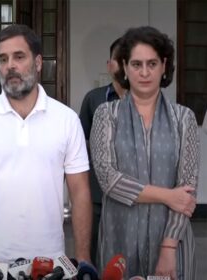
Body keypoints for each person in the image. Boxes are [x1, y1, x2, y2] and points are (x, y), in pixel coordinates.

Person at [0, 24, 92, 277]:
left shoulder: (66, 119)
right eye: (3, 59)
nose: (10, 65)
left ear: (38, 62)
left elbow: (80, 193)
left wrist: (84, 258)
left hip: (50, 262)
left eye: (19, 57)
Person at [90, 26, 199, 279]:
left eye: (152, 63)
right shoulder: (107, 115)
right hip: (119, 238)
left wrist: (169, 247)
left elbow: (186, 191)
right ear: (124, 67)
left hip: (173, 242)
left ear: (164, 66)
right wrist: (167, 195)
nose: (145, 72)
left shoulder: (184, 119)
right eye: (136, 64)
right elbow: (108, 179)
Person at [78, 37, 127, 265]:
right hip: (98, 195)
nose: (125, 66)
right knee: (97, 257)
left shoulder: (147, 101)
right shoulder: (94, 99)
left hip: (136, 195)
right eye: (120, 60)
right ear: (110, 65)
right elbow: (81, 145)